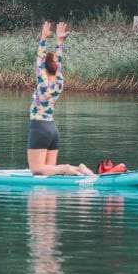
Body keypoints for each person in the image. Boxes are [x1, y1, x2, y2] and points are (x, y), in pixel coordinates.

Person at [27, 21, 92, 176]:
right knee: (48, 171)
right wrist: (59, 41)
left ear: (44, 68)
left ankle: (66, 168)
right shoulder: (59, 82)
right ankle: (79, 169)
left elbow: (40, 59)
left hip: (39, 127)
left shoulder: (43, 82)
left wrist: (43, 38)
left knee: (36, 169)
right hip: (52, 129)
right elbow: (58, 62)